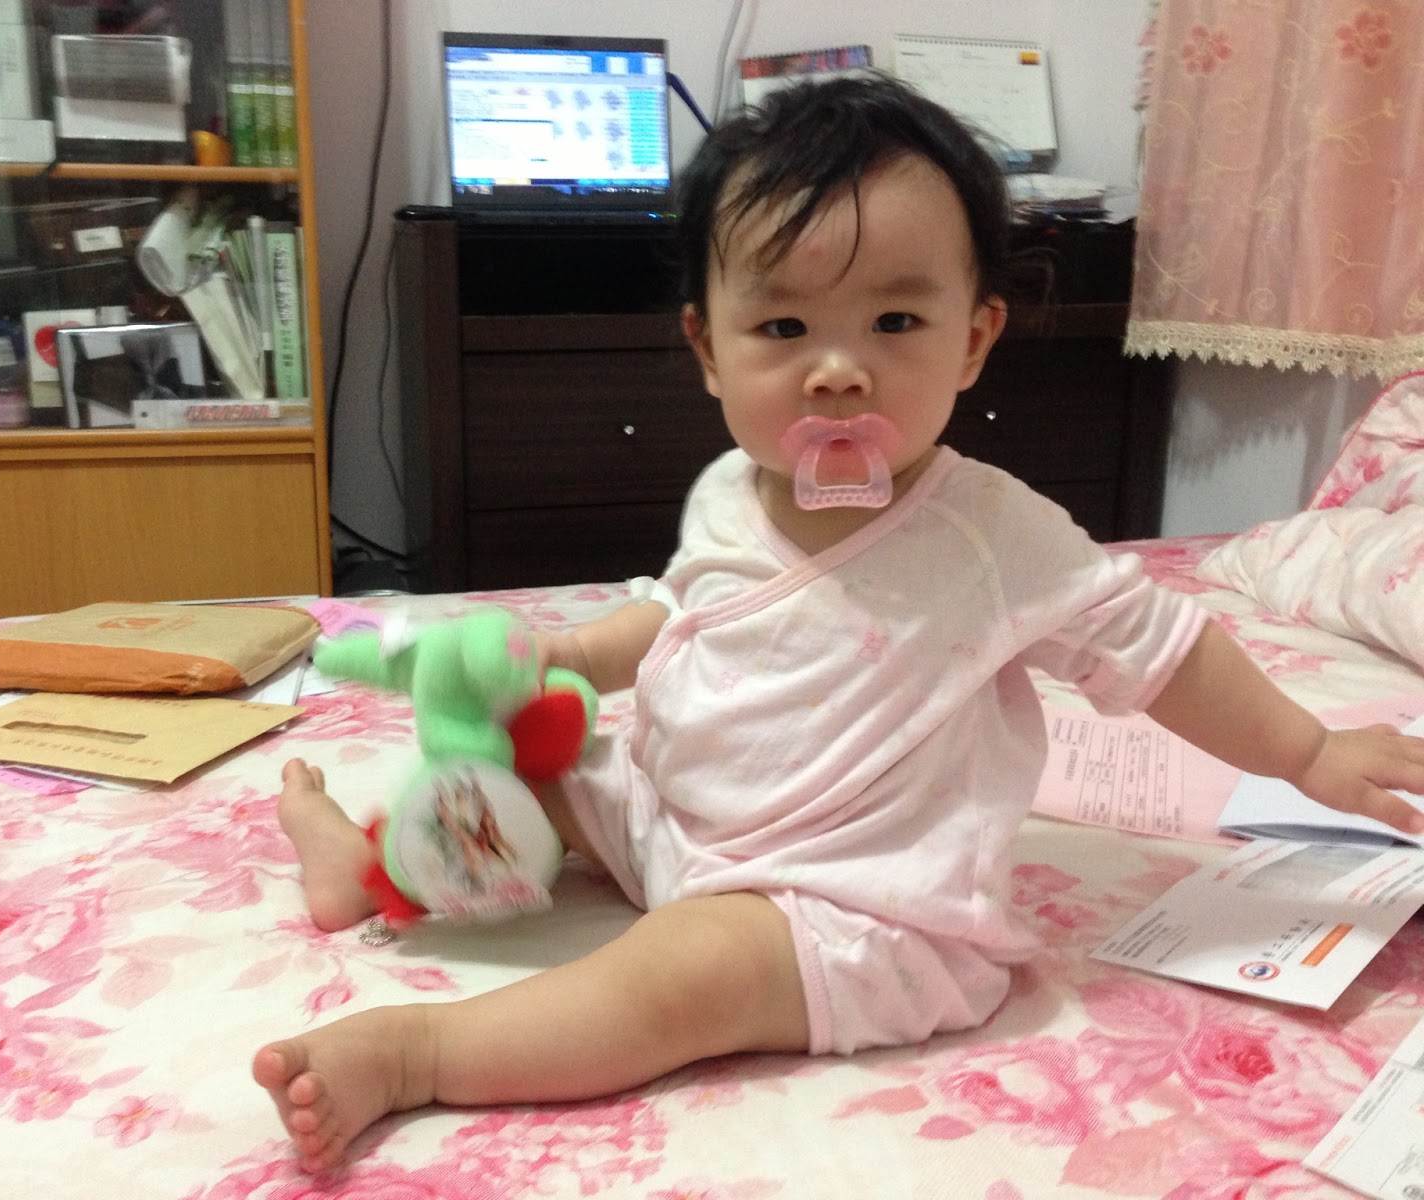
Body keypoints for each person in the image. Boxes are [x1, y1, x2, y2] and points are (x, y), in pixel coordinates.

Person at [253, 73, 1424, 1173]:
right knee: (532, 758)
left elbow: (1165, 653)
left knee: (681, 978)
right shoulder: (729, 488)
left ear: (974, 338)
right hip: (675, 820)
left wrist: (1308, 750)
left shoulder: (993, 538)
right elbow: (676, 615)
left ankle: (417, 1053)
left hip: (850, 904)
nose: (836, 374)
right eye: (781, 330)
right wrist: (559, 659)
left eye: (895, 321)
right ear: (707, 350)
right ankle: (374, 865)